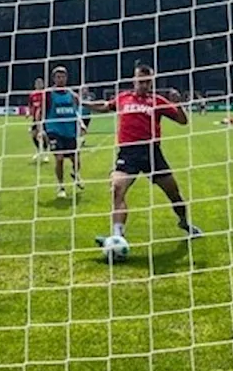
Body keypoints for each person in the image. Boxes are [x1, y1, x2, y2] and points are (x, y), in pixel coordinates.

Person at [84, 64, 202, 246]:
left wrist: (177, 103)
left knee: (174, 193)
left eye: (148, 82)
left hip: (152, 153)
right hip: (128, 153)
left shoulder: (157, 101)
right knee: (117, 189)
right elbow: (105, 106)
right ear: (134, 80)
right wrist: (84, 103)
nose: (144, 85)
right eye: (141, 81)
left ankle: (185, 223)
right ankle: (117, 236)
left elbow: (182, 121)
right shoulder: (123, 98)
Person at [43, 66, 85, 199]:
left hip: (69, 131)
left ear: (66, 78)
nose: (61, 79)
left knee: (76, 159)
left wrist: (81, 123)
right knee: (59, 158)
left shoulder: (72, 95)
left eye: (63, 77)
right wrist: (40, 129)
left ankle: (76, 174)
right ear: (54, 79)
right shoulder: (48, 94)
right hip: (54, 130)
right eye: (58, 77)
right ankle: (60, 186)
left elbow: (76, 111)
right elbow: (41, 112)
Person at [28, 77, 49, 163]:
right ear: (35, 85)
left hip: (44, 117)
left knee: (44, 135)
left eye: (40, 83)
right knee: (34, 135)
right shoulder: (32, 94)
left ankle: (46, 154)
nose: (39, 85)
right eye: (37, 83)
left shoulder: (45, 94)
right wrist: (29, 113)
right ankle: (38, 151)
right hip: (35, 118)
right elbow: (30, 105)